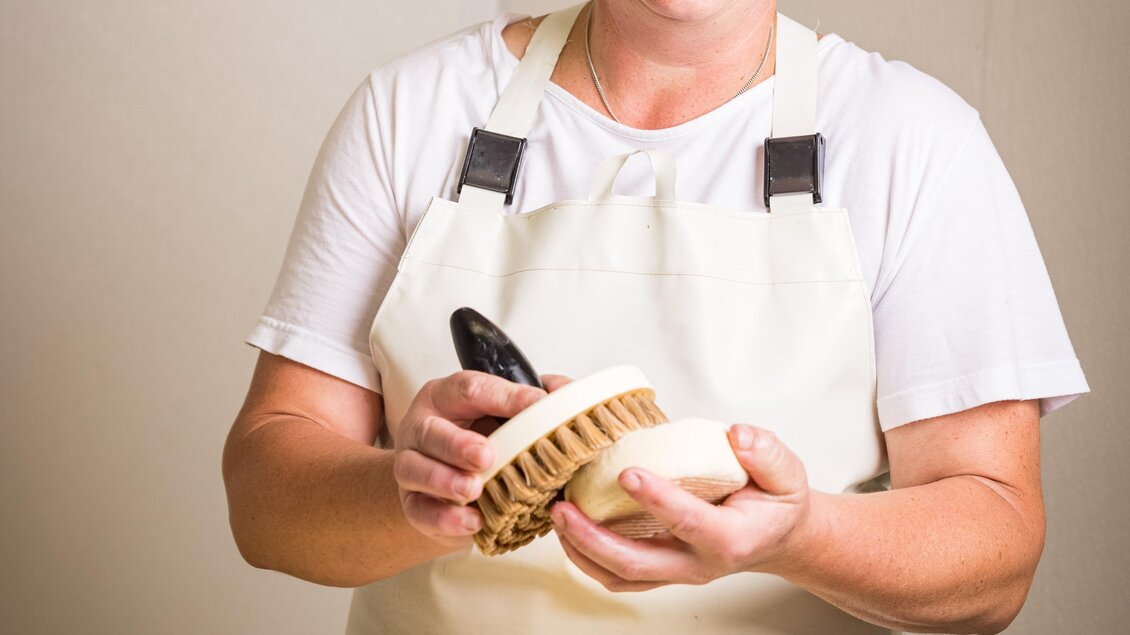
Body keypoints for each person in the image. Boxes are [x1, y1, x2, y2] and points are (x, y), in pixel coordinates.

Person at [222, 2, 1089, 633]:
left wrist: (800, 535)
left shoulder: (912, 139)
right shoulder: (413, 111)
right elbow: (265, 501)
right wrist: (411, 493)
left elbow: (996, 554)